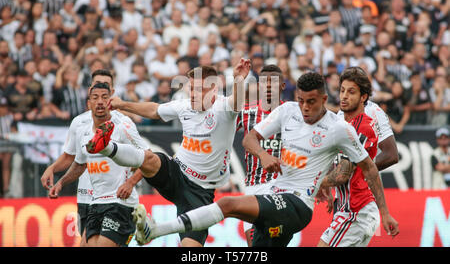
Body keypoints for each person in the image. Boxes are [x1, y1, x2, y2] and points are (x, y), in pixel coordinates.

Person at [122, 72, 399, 247]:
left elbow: (370, 169)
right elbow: (249, 139)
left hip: (298, 204)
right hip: (273, 191)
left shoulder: (340, 128)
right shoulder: (287, 111)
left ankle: (154, 231)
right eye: (301, 100)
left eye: (311, 102)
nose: (305, 107)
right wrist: (265, 155)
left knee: (227, 203)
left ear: (324, 99)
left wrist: (384, 212)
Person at [87, 59, 251, 247]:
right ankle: (105, 147)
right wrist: (123, 104)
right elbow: (154, 110)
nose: (193, 94)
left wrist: (239, 80)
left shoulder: (223, 108)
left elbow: (237, 101)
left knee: (192, 249)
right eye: (191, 88)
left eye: (199, 89)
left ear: (213, 89)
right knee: (150, 158)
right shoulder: (184, 105)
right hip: (176, 173)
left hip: (200, 192)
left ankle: (158, 232)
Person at [40, 69, 144, 245]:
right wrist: (60, 181)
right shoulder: (81, 126)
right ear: (89, 100)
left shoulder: (123, 124)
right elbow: (77, 162)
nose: (100, 102)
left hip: (120, 202)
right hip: (92, 201)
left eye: (105, 96)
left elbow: (148, 158)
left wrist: (130, 182)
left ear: (112, 96)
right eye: (95, 96)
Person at [317, 67, 382, 247]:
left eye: (351, 92)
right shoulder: (344, 125)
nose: (344, 96)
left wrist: (316, 183)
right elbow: (337, 167)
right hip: (353, 210)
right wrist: (330, 189)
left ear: (363, 97)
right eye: (342, 90)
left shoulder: (362, 127)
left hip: (355, 211)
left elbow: (342, 174)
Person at [235, 64, 285, 246]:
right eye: (264, 82)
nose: (269, 86)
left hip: (281, 186)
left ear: (283, 86)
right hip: (253, 187)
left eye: (274, 82)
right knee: (254, 245)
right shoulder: (247, 112)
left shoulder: (292, 112)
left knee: (271, 243)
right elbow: (222, 132)